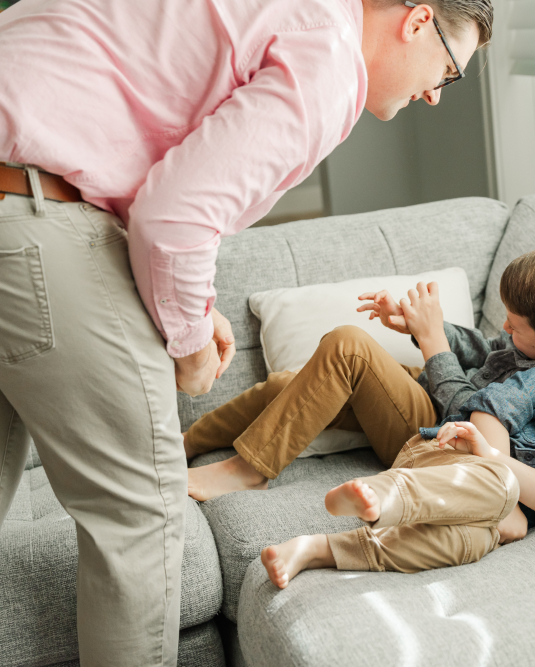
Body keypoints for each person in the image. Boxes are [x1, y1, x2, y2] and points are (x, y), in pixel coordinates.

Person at [0, 0, 491, 663]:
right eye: (451, 69)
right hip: (30, 214)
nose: (435, 94)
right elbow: (173, 219)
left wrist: (193, 310)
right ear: (416, 19)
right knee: (143, 517)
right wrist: (191, 345)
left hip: (24, 192)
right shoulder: (331, 58)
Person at [259, 301, 535, 585]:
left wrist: (503, 494)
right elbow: (490, 409)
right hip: (446, 452)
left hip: (484, 518)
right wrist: (492, 463)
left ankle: (317, 550)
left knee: (467, 543)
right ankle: (383, 495)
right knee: (504, 501)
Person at [184, 242, 535, 500]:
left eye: (515, 324)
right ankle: (182, 445)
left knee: (348, 347)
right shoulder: (532, 345)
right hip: (424, 398)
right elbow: (487, 351)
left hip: (437, 435)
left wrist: (432, 344)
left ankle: (250, 469)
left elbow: (466, 420)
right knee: (290, 383)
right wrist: (421, 329)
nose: (504, 326)